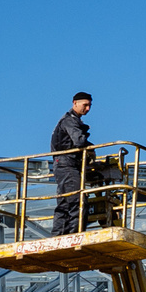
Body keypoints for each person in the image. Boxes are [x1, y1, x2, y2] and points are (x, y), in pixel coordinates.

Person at [50, 92, 93, 235]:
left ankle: (57, 237)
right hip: (67, 164)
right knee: (77, 200)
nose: (87, 109)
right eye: (85, 105)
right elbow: (79, 141)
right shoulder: (69, 121)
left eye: (89, 106)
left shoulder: (70, 120)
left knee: (64, 203)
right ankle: (74, 237)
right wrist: (90, 148)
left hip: (63, 164)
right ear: (75, 103)